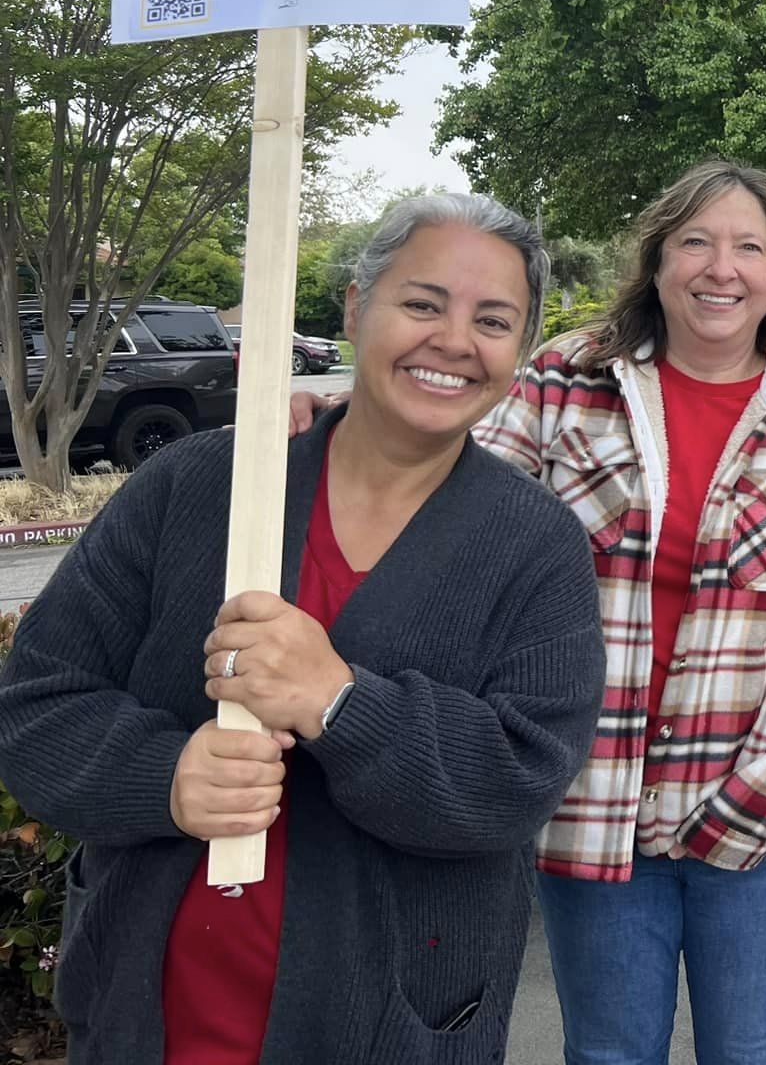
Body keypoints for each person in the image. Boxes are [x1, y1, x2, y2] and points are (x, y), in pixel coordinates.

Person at [0, 194, 605, 1065]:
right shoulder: (198, 487)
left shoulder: (535, 544)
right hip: (155, 1009)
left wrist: (344, 705)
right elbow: (38, 703)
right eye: (422, 303)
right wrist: (164, 776)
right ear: (357, 308)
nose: (453, 340)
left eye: (494, 319)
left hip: (386, 1021)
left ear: (519, 349)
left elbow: (519, 780)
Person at [474, 159, 766, 1065]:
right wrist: (336, 414)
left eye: (748, 247)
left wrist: (755, 795)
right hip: (591, 798)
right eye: (697, 242)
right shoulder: (562, 383)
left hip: (764, 814)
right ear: (658, 261)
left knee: (753, 1051)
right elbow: (457, 519)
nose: (722, 268)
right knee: (608, 1053)